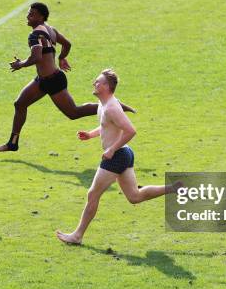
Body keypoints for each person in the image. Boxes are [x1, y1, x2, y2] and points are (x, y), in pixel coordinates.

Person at [56, 69, 181, 244]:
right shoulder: (104, 104)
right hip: (125, 154)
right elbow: (107, 126)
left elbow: (131, 131)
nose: (94, 83)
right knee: (134, 197)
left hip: (117, 156)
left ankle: (77, 236)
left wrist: (112, 149)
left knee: (93, 194)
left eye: (98, 82)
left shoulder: (112, 108)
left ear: (106, 87)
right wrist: (91, 134)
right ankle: (172, 188)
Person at [0, 2, 134, 152]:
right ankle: (13, 143)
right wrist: (61, 57)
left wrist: (20, 64)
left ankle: (113, 104)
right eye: (28, 13)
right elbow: (67, 44)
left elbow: (36, 57)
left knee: (74, 113)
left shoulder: (35, 34)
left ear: (41, 17)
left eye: (32, 14)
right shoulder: (51, 30)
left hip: (53, 81)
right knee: (20, 104)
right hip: (42, 80)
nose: (28, 16)